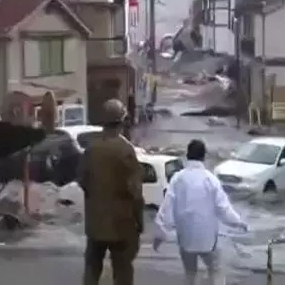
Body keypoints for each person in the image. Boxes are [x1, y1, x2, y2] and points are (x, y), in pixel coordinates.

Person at [153, 139, 248, 285]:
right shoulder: (211, 180)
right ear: (204, 156)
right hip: (208, 240)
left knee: (190, 273)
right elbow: (223, 208)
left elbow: (167, 207)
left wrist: (160, 233)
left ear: (187, 155)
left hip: (186, 238)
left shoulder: (178, 179)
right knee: (216, 270)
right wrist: (239, 222)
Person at [77, 98, 144, 285]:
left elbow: (82, 181)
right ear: (122, 121)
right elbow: (136, 192)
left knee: (91, 269)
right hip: (121, 226)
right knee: (123, 273)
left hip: (95, 225)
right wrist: (139, 221)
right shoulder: (126, 150)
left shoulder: (91, 150)